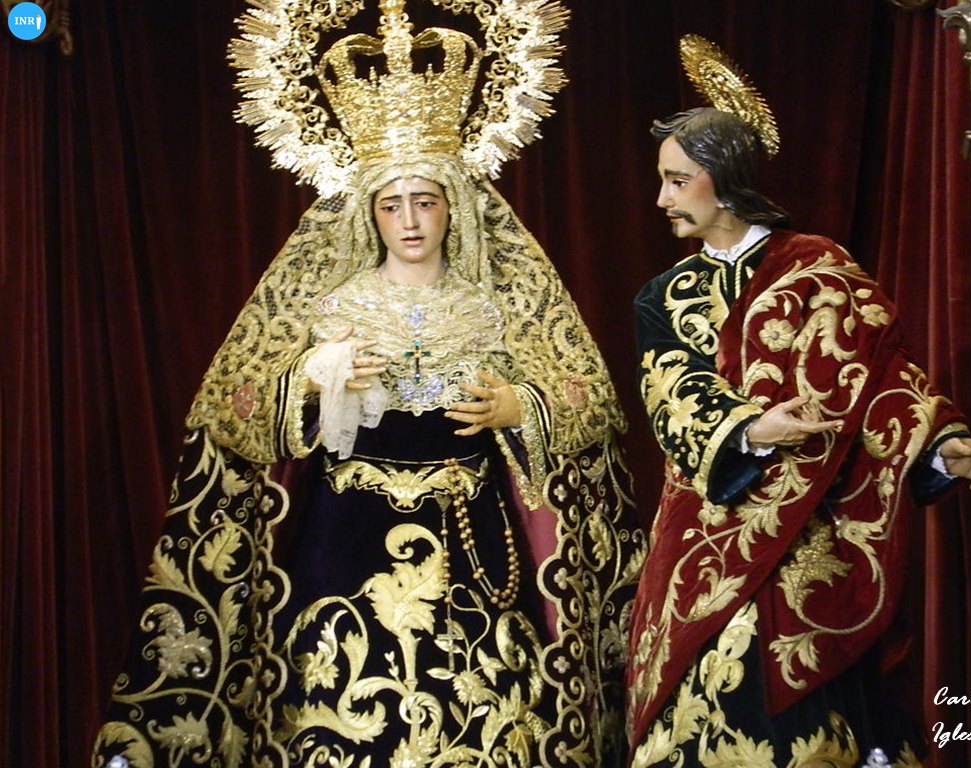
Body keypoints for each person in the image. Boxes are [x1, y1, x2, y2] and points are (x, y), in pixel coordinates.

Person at [91, 2, 644, 766]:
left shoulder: (499, 306)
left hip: (474, 538)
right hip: (344, 538)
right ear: (369, 214)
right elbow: (232, 405)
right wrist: (311, 380)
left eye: (426, 201)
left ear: (454, 208)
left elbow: (592, 401)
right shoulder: (328, 305)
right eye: (392, 204)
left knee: (487, 711)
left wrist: (525, 406)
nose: (410, 220)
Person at [624, 36, 971, 768]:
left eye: (677, 181)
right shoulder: (664, 296)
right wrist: (751, 428)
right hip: (705, 536)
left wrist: (939, 444)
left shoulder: (822, 267)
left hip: (815, 533)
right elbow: (670, 393)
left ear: (724, 182)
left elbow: (883, 380)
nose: (662, 199)